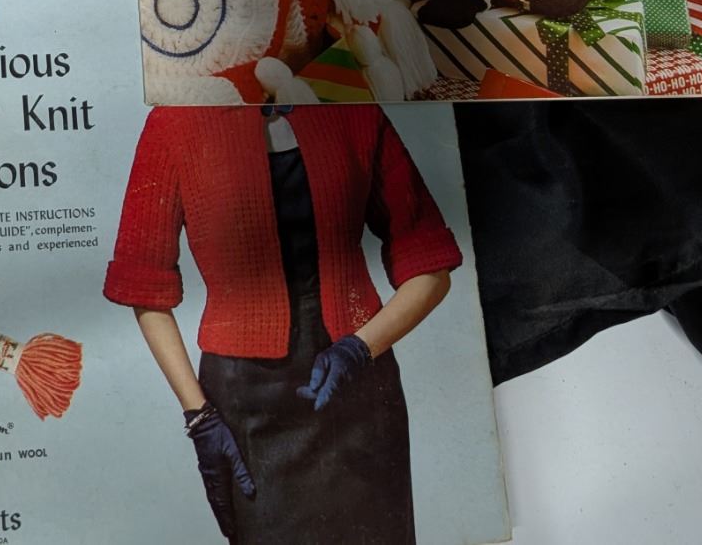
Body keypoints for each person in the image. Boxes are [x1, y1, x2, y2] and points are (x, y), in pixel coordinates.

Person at [105, 104, 462, 545]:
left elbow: (432, 268)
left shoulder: (352, 105)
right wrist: (199, 416)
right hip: (246, 409)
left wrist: (359, 348)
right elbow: (143, 289)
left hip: (361, 396)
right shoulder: (174, 121)